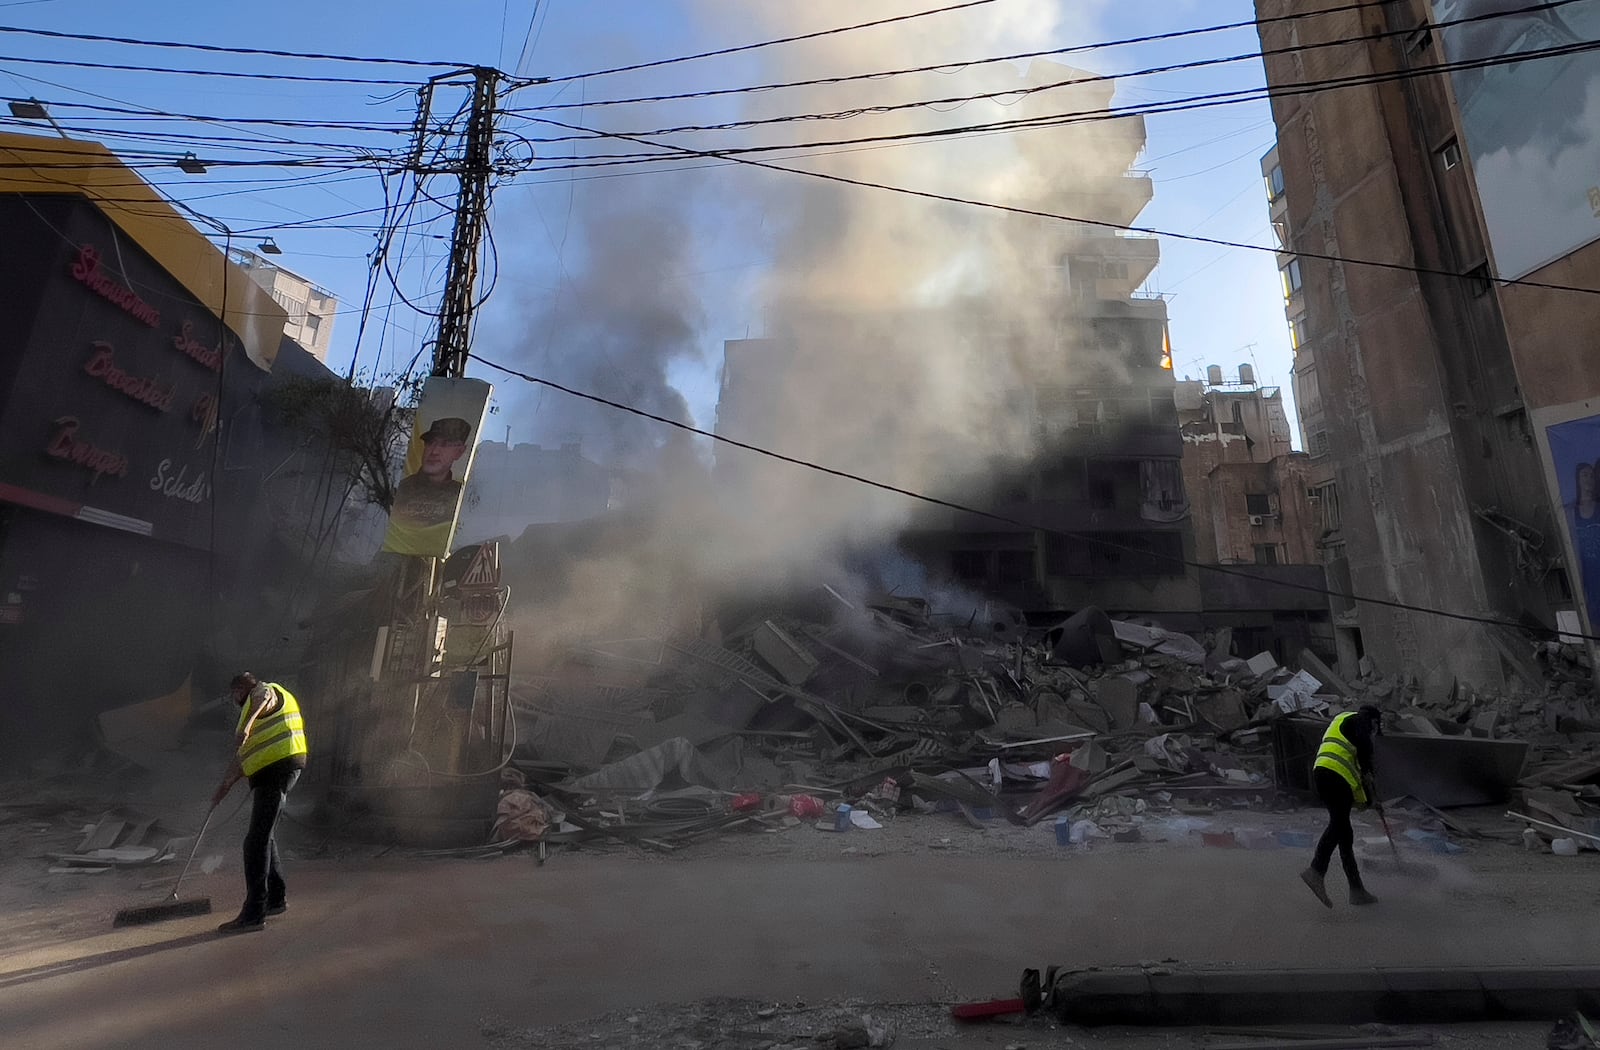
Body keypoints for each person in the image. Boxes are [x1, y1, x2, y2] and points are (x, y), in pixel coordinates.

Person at [212, 673, 308, 934]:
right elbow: (242, 757)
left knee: (255, 842)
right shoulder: (252, 713)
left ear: (242, 687)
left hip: (278, 770)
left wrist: (247, 724)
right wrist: (225, 786)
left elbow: (263, 698)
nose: (234, 699)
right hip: (274, 771)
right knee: (265, 836)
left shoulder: (263, 692)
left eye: (235, 693)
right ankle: (276, 899)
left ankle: (254, 913)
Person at [1300, 704, 1382, 909]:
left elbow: (1355, 774)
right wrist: (1370, 772)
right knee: (1338, 824)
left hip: (1324, 774)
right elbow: (1364, 753)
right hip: (1334, 776)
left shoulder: (1343, 721)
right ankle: (1316, 870)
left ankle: (1357, 890)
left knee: (1345, 832)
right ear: (1372, 720)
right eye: (1375, 726)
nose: (1374, 731)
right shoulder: (1360, 719)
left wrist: (1371, 800)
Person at [382, 416, 473, 556]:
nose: (434, 451)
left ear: (459, 451)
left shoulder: (462, 497)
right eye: (430, 443)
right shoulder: (402, 488)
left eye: (445, 444)